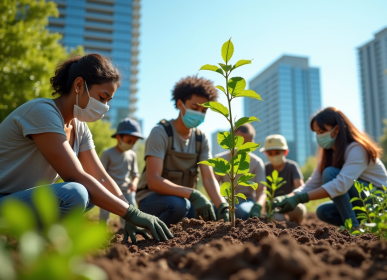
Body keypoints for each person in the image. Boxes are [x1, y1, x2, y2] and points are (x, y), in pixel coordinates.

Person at [0, 54, 173, 243]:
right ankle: (27, 239)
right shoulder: (42, 112)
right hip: (5, 201)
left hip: (23, 202)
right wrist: (130, 213)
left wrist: (128, 213)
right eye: (102, 97)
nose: (104, 107)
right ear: (79, 85)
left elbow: (100, 177)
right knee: (76, 193)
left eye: (108, 101)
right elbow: (76, 175)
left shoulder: (79, 127)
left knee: (92, 194)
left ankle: (30, 238)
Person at [273, 107, 387, 229]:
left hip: (384, 203)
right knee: (323, 211)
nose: (318, 136)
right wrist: (287, 197)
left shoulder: (357, 149)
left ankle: (353, 228)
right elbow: (311, 184)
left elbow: (340, 185)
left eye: (322, 132)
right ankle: (364, 226)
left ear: (336, 129)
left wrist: (300, 198)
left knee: (330, 173)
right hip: (363, 203)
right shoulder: (328, 156)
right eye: (316, 133)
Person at [136, 76, 230, 226]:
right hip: (152, 199)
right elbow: (153, 181)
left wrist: (223, 205)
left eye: (204, 110)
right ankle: (151, 233)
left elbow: (208, 178)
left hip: (185, 199)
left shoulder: (201, 138)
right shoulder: (161, 133)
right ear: (180, 104)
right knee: (179, 205)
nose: (199, 113)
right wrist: (193, 194)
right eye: (194, 108)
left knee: (210, 214)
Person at [214, 124, 266, 220]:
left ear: (252, 143)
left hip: (246, 200)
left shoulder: (256, 162)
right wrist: (222, 204)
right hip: (224, 199)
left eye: (245, 143)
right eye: (238, 142)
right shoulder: (220, 159)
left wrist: (258, 206)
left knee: (241, 212)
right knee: (211, 210)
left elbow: (261, 190)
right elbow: (213, 184)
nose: (241, 147)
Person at [99, 118, 143, 229]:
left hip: (126, 190)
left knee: (131, 211)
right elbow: (100, 174)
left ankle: (126, 230)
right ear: (119, 137)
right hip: (108, 189)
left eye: (134, 142)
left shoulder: (132, 155)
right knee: (104, 212)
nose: (131, 144)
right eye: (129, 141)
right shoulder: (107, 153)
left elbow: (135, 174)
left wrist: (134, 183)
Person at [260, 134, 306, 224]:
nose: (274, 156)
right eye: (270, 153)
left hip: (290, 204)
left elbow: (301, 189)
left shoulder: (292, 167)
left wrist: (285, 199)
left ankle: (296, 226)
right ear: (266, 153)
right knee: (273, 219)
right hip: (273, 209)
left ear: (285, 152)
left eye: (277, 152)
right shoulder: (264, 168)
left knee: (298, 209)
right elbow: (261, 189)